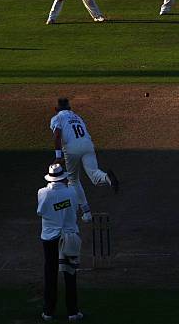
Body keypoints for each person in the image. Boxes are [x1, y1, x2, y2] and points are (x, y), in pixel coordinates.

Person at [51, 97, 119, 223]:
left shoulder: (57, 118)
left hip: (71, 148)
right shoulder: (77, 117)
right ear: (70, 108)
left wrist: (58, 156)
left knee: (73, 180)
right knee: (94, 174)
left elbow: (57, 135)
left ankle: (87, 213)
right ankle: (108, 179)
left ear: (56, 109)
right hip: (88, 144)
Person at [37, 164, 84, 322]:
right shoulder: (71, 191)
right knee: (70, 274)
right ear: (62, 177)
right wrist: (61, 207)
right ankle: (73, 312)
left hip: (50, 238)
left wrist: (56, 208)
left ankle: (48, 312)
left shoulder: (43, 193)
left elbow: (41, 211)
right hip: (68, 236)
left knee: (50, 274)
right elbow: (73, 207)